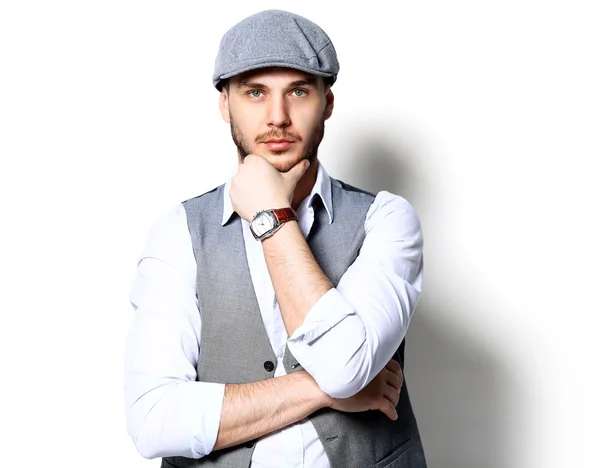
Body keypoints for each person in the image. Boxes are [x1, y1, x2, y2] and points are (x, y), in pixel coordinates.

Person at [124, 9, 427, 468]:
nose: (278, 117)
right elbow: (153, 421)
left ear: (327, 102)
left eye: (299, 91)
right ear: (225, 104)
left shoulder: (385, 219)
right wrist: (319, 390)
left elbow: (344, 362)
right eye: (255, 92)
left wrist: (272, 216)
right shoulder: (178, 234)